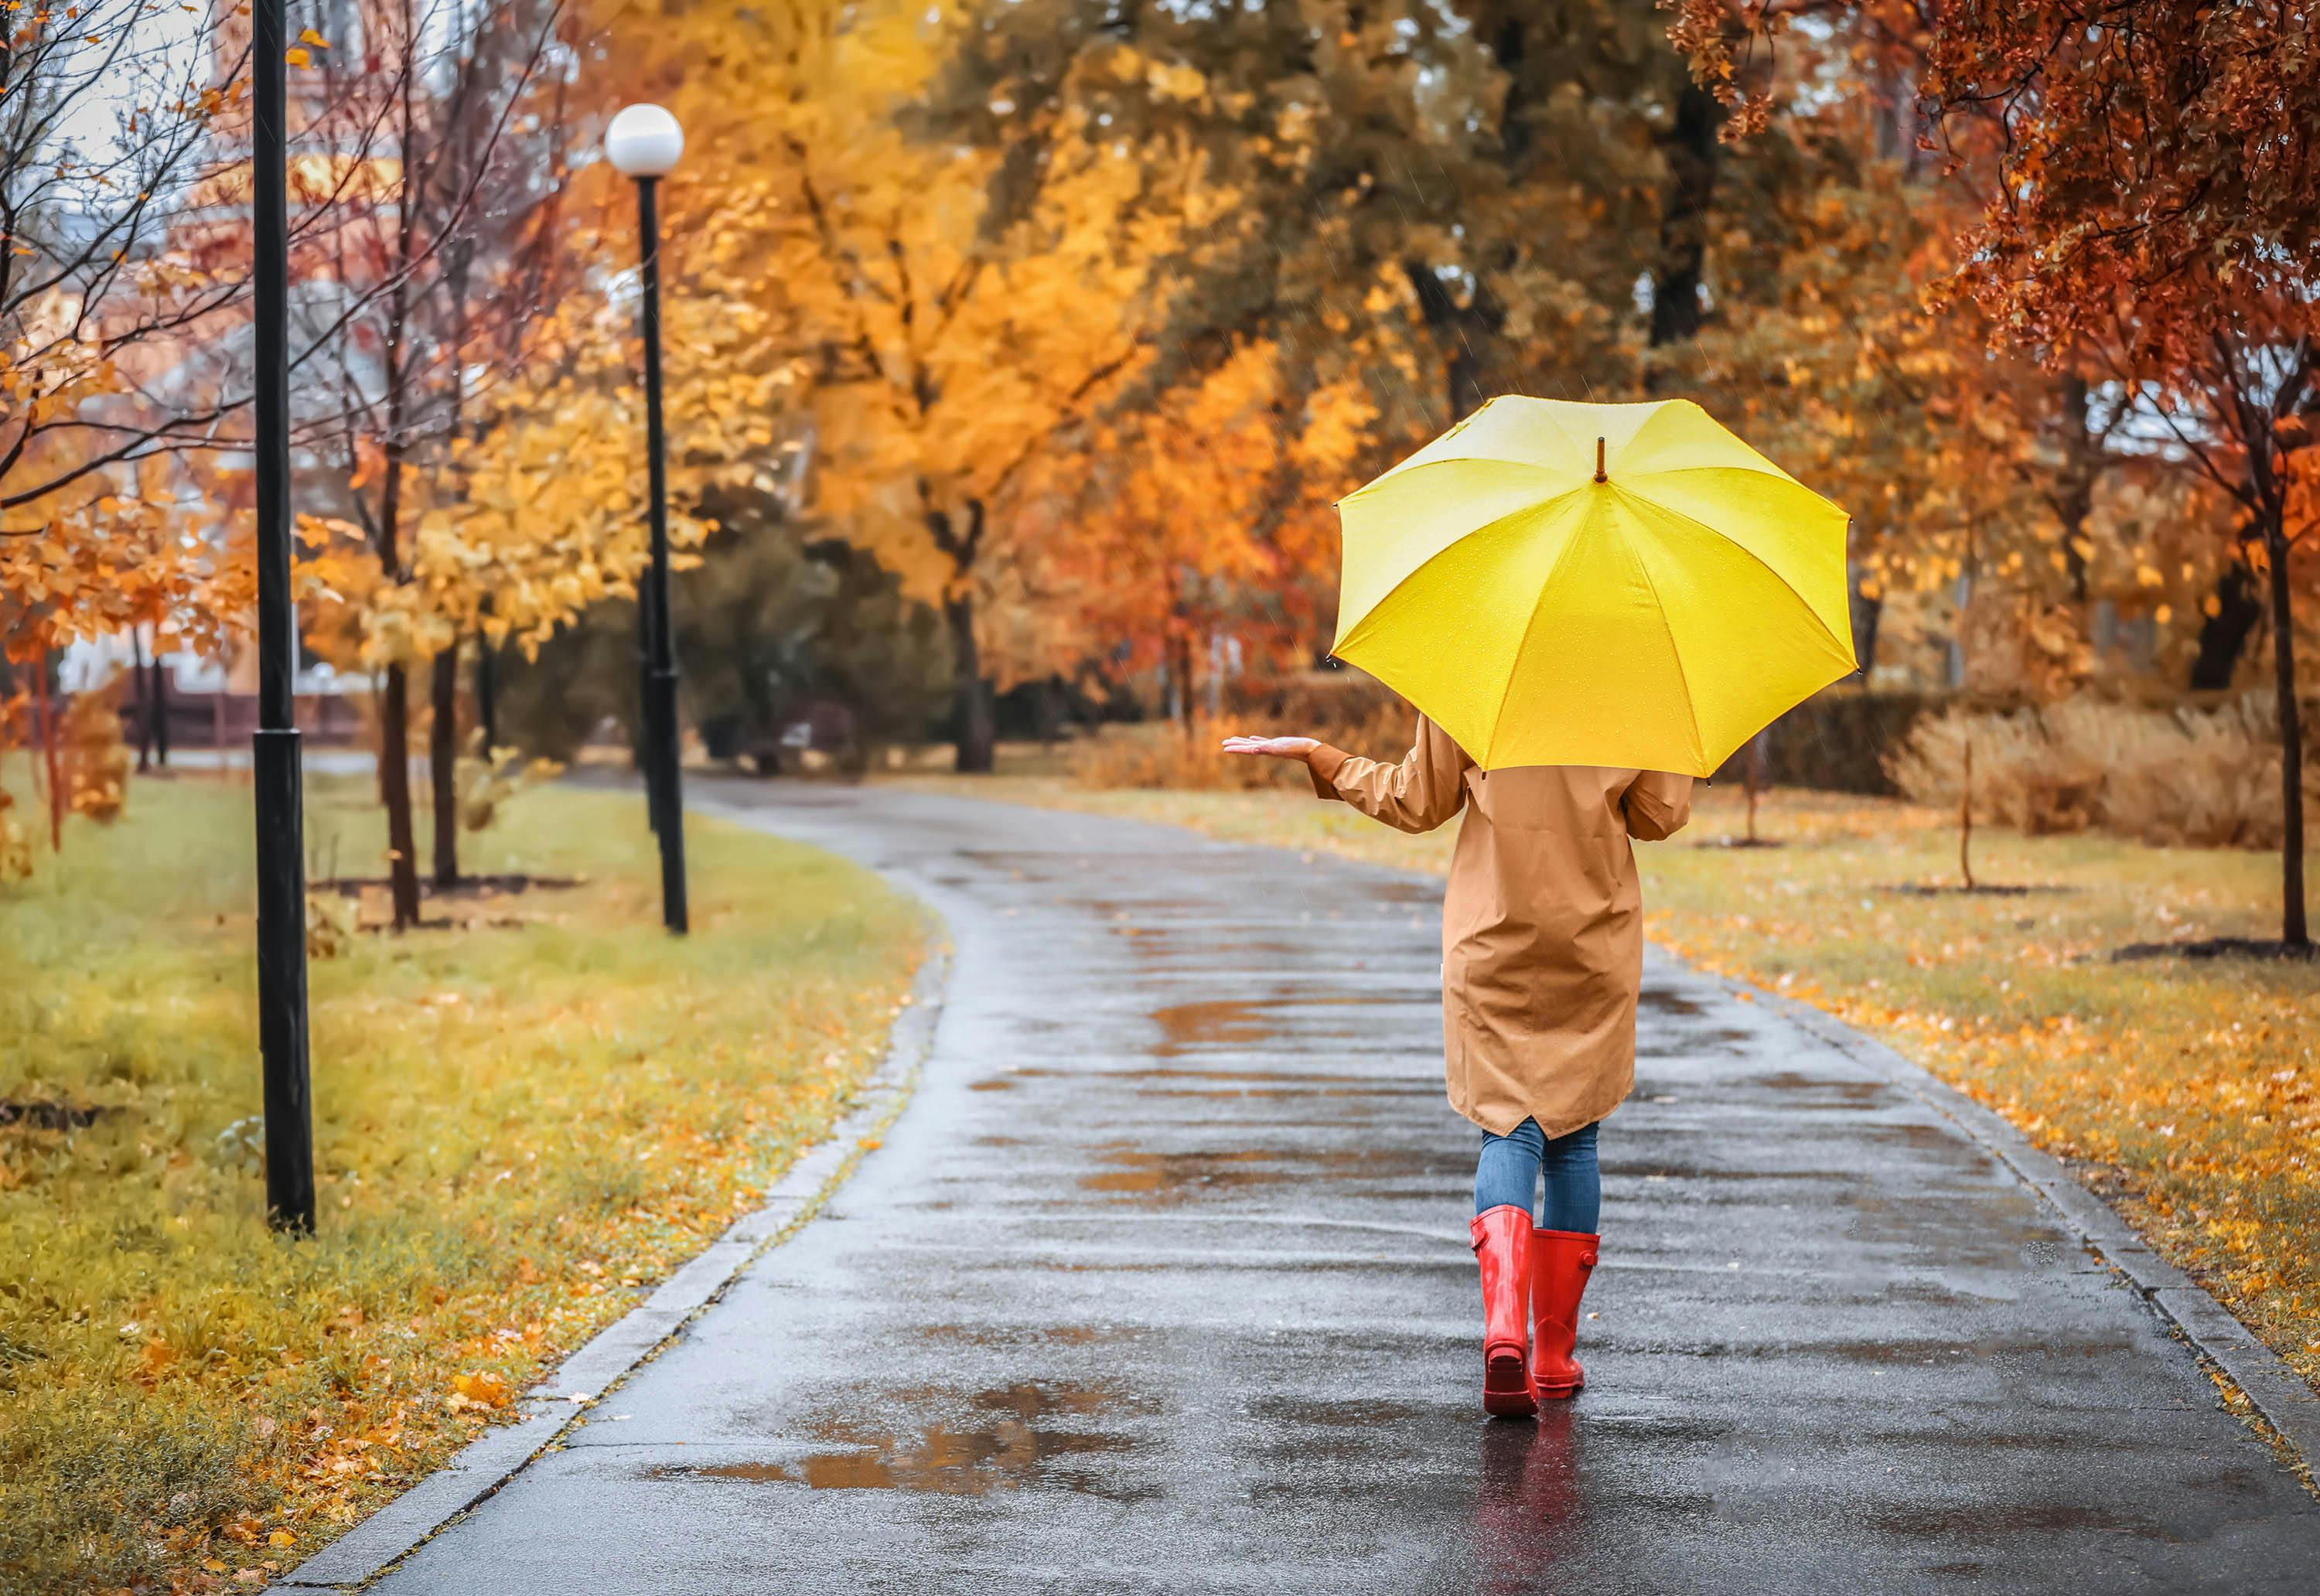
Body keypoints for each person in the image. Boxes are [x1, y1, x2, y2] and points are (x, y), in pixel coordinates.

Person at [1223, 718, 1691, 1418]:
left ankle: (1504, 1329)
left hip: (1492, 940)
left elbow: (1417, 801)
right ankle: (1555, 1357)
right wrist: (1675, 749)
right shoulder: (1632, 685)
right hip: (1593, 944)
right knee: (1576, 1135)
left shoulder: (1480, 675)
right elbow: (1659, 816)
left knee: (1508, 1128)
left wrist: (1323, 758)